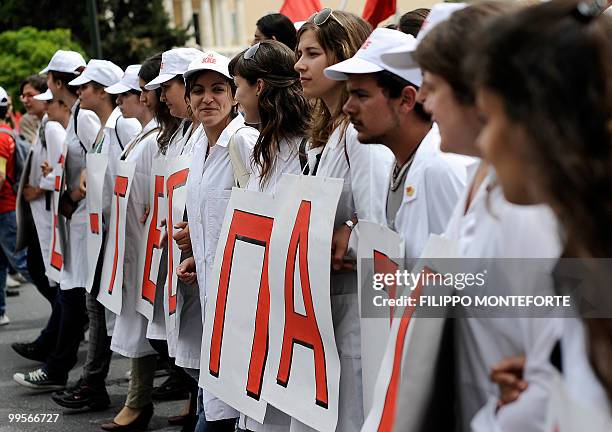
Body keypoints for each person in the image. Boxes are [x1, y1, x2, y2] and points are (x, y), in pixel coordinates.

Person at [464, 0, 612, 428]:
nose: (485, 143)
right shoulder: (584, 238)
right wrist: (552, 373)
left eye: (488, 120)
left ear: (537, 124)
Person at [294, 9, 395, 430]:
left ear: (344, 56)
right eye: (299, 53)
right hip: (328, 310)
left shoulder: (360, 135)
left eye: (312, 53)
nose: (299, 65)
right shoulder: (331, 131)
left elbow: (379, 228)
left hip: (356, 313)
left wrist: (349, 233)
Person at [226, 39, 311, 431]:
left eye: (237, 85)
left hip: (293, 315)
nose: (235, 97)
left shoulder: (308, 149)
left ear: (259, 86)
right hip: (264, 310)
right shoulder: (265, 146)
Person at [327, 27, 468, 260]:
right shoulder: (400, 163)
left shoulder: (440, 169)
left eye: (361, 96)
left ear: (406, 100)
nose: (348, 107)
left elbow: (468, 281)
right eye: (349, 95)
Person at [52, 59, 141, 411]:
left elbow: (138, 167)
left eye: (86, 86)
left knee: (104, 304)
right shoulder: (107, 126)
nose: (79, 91)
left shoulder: (122, 124)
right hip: (102, 228)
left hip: (118, 228)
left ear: (102, 90)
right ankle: (94, 380)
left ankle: (97, 381)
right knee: (97, 303)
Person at [177, 50, 259, 432]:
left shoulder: (244, 142)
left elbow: (260, 215)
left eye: (217, 89)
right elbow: (212, 214)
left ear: (233, 94)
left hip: (242, 302)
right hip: (212, 296)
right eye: (197, 90)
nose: (206, 98)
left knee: (223, 410)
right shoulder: (197, 144)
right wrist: (195, 248)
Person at [13, 50, 100, 389]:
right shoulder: (76, 114)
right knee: (75, 296)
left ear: (57, 82)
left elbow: (104, 161)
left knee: (76, 296)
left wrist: (74, 188)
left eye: (49, 78)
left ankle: (61, 368)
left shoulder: (85, 117)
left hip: (83, 219)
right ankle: (67, 369)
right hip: (73, 219)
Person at [101, 54, 167, 431]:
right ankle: (139, 400)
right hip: (137, 245)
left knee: (152, 328)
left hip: (151, 245)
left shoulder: (157, 137)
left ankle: (140, 402)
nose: (135, 98)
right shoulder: (148, 134)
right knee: (141, 326)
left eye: (141, 91)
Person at [144, 46, 204, 430]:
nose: (162, 96)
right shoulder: (186, 132)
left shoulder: (230, 137)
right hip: (189, 257)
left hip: (204, 261)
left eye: (169, 86)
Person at [10, 77, 66, 360]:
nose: (25, 100)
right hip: (39, 215)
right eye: (23, 96)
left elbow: (65, 169)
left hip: (48, 212)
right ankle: (60, 331)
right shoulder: (44, 126)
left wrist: (39, 186)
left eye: (30, 95)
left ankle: (56, 337)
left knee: (50, 277)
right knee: (41, 271)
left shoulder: (53, 127)